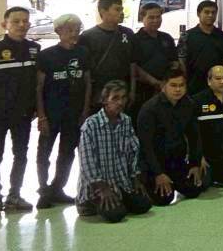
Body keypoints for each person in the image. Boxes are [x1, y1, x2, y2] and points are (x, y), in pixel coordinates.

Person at [0, 7, 41, 216]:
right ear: (5, 24)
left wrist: (37, 109)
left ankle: (14, 196)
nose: (22, 25)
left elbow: (37, 83)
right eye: (16, 21)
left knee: (21, 154)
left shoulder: (35, 49)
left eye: (25, 21)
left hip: (23, 114)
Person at [35, 13, 90, 209]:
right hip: (51, 114)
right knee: (44, 153)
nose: (74, 34)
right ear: (58, 31)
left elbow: (88, 83)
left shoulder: (83, 53)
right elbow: (39, 87)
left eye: (77, 30)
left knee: (67, 153)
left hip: (74, 114)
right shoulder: (46, 55)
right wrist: (41, 116)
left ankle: (58, 188)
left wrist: (85, 110)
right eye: (69, 30)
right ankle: (43, 190)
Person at [76, 81, 152, 223]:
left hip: (120, 183)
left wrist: (135, 179)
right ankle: (87, 205)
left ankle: (118, 198)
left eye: (123, 97)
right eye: (115, 98)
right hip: (97, 187)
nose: (120, 102)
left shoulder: (126, 121)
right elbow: (87, 163)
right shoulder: (90, 125)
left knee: (144, 205)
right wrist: (102, 189)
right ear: (105, 100)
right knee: (116, 215)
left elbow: (133, 153)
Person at [136, 69, 205, 205]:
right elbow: (146, 146)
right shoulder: (150, 109)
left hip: (177, 161)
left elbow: (194, 136)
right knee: (164, 199)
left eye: (181, 85)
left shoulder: (189, 105)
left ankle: (176, 183)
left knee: (195, 189)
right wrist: (158, 173)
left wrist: (194, 164)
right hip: (155, 163)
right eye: (173, 85)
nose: (178, 89)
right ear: (164, 86)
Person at [79, 0, 136, 110]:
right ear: (103, 11)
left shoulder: (128, 33)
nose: (121, 13)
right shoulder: (88, 36)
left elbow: (132, 63)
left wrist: (132, 90)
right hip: (98, 93)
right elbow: (84, 69)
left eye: (122, 9)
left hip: (122, 92)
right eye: (117, 9)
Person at [131, 3, 177, 125]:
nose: (156, 20)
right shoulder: (135, 40)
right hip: (143, 91)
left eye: (158, 17)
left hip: (166, 91)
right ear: (142, 18)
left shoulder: (167, 38)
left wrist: (168, 82)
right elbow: (134, 67)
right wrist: (155, 82)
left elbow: (174, 62)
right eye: (151, 17)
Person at [178, 0, 223, 95]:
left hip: (218, 84)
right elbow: (181, 62)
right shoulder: (187, 36)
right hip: (193, 85)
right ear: (198, 14)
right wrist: (183, 83)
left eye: (213, 12)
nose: (210, 15)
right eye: (207, 12)